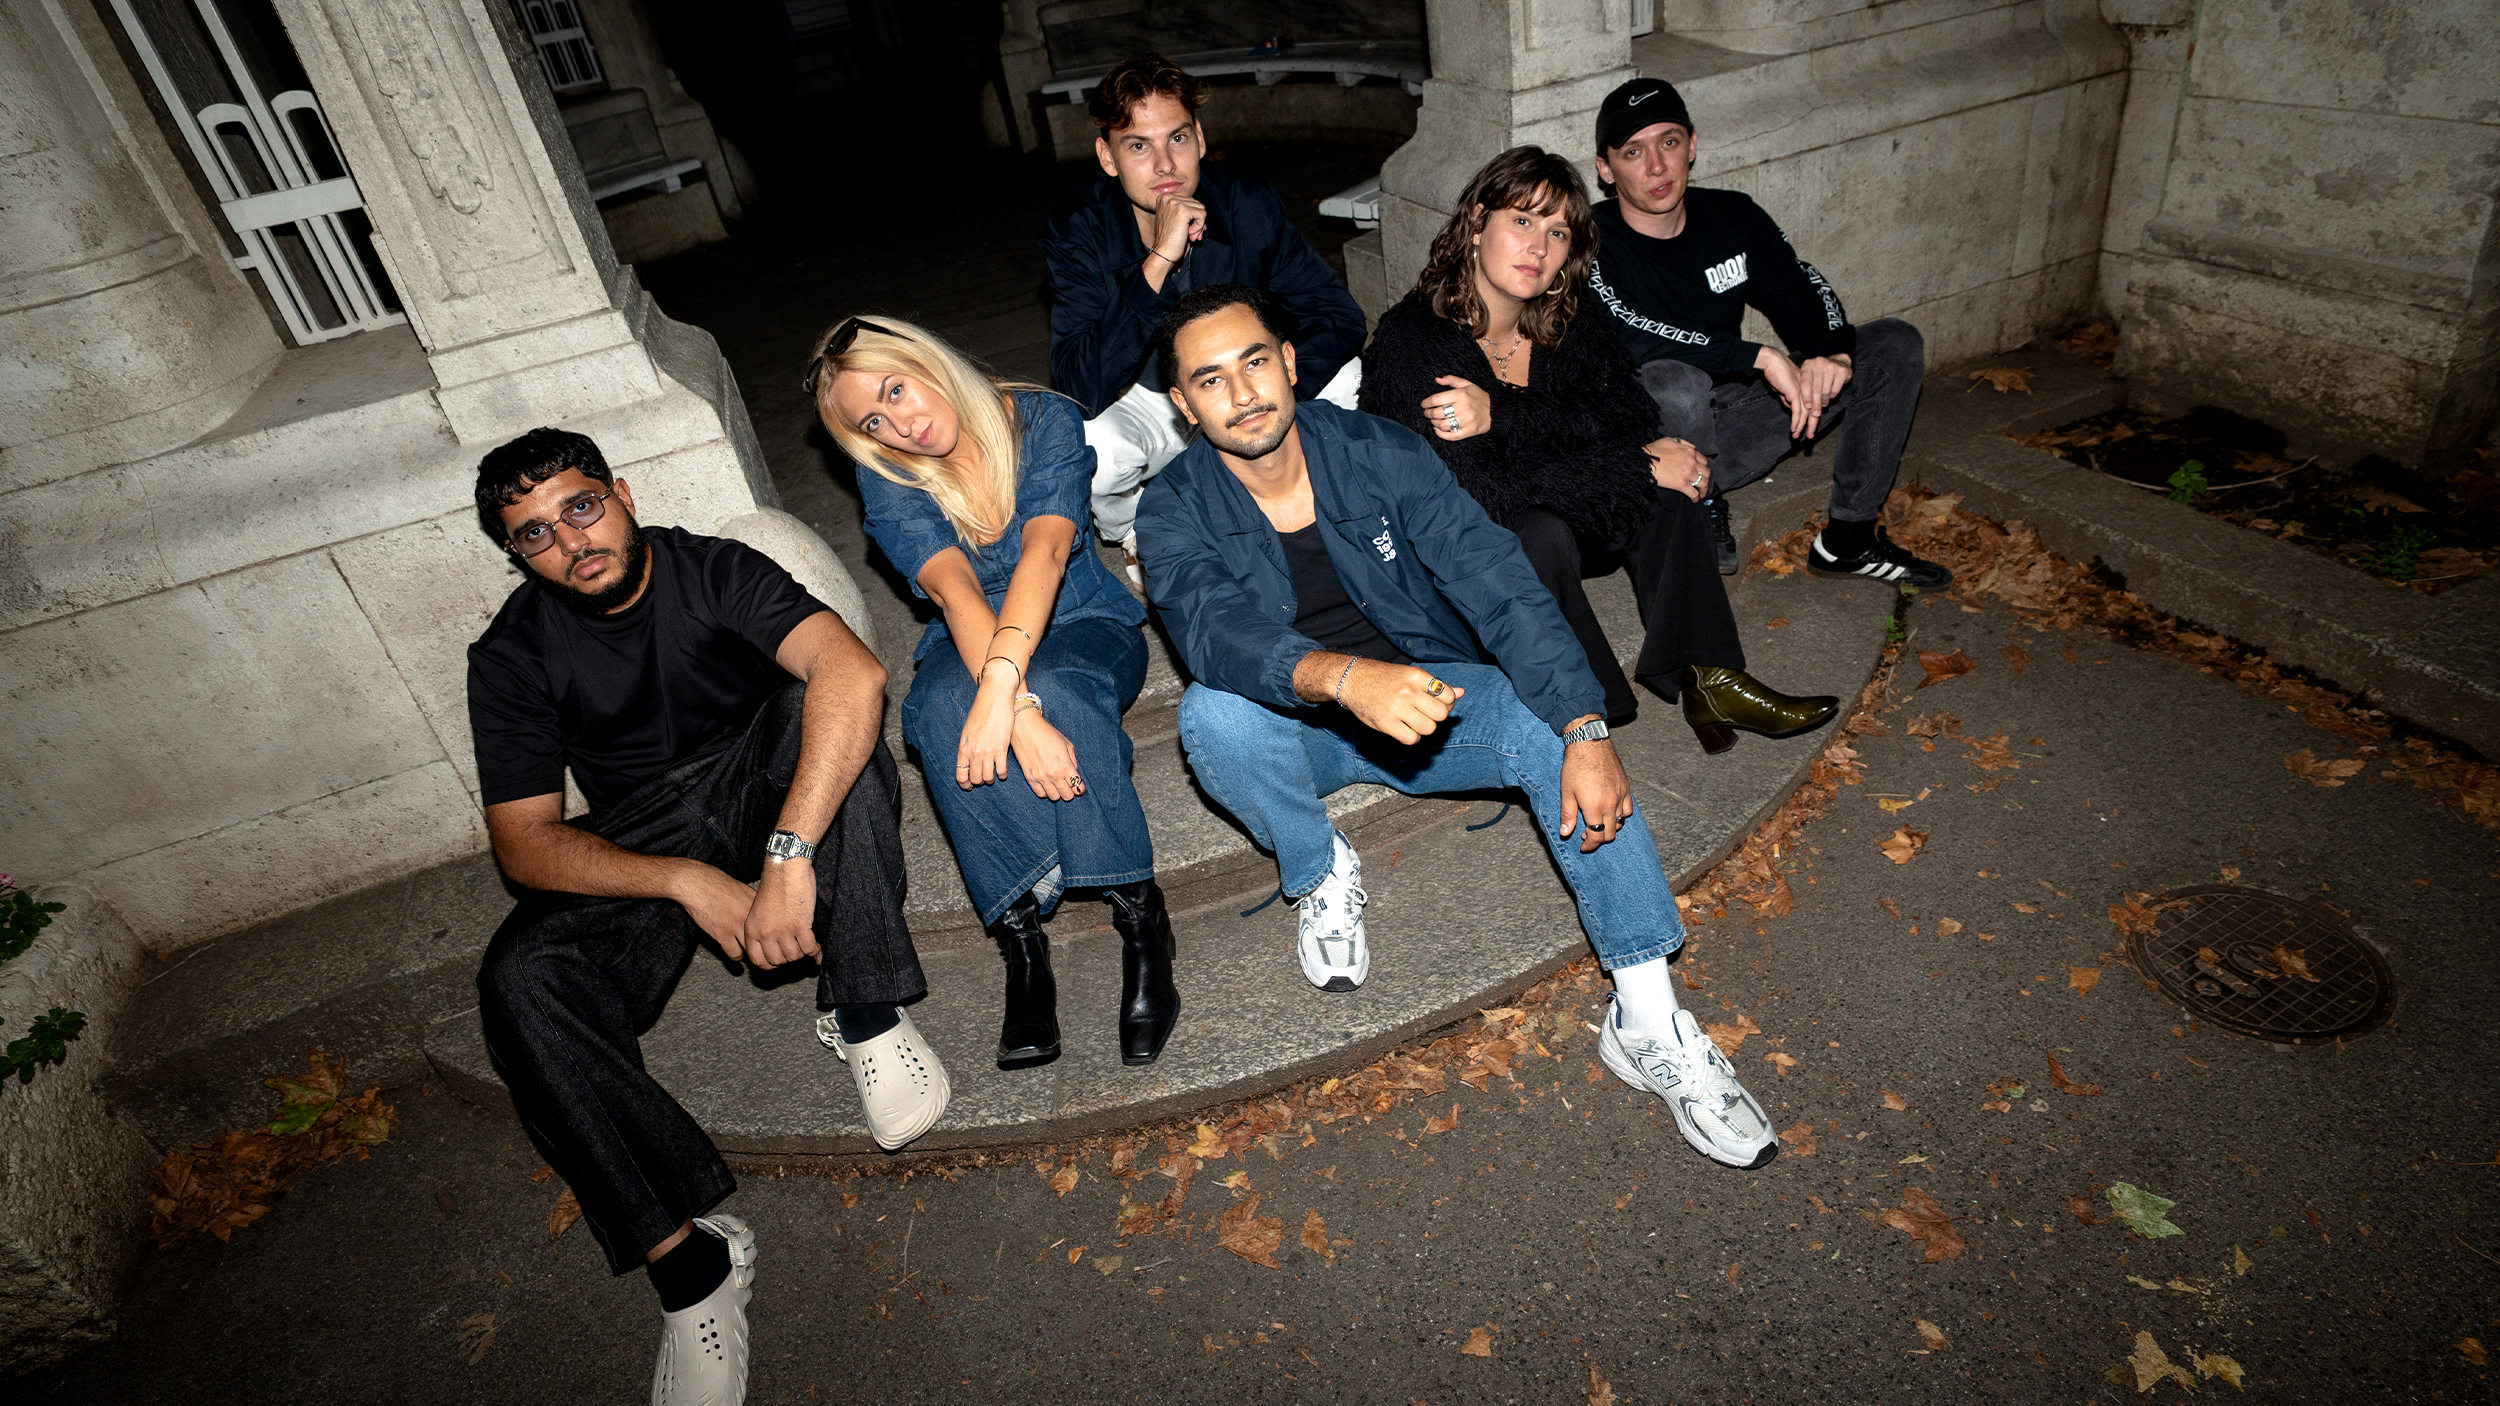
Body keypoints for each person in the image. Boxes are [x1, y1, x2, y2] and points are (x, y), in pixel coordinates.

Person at [1135, 284, 1778, 1170]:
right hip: (1302, 730)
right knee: (1213, 716)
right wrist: (1345, 678)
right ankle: (1318, 866)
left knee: (1555, 731)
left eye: (1254, 362)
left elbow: (1497, 580)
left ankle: (1647, 1021)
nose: (1242, 393)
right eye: (1211, 380)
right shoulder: (1171, 508)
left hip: (1430, 709)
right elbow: (1215, 634)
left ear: (1288, 362)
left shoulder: (1376, 449)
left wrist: (1585, 728)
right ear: (1183, 403)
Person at [466, 428, 945, 1404]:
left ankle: (864, 1007)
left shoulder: (713, 568)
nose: (571, 540)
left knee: (823, 721)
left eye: (580, 506)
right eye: (535, 533)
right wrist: (685, 879)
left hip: (758, 771)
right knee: (518, 980)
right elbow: (524, 842)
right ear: (517, 555)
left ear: (623, 493)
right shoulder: (510, 655)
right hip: (644, 827)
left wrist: (786, 853)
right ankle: (691, 1267)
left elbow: (853, 672)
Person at [1359, 146, 1838, 752]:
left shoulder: (1566, 316)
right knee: (1538, 531)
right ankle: (1578, 709)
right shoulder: (1414, 341)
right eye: (1522, 221)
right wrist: (1633, 467)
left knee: (1669, 487)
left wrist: (1506, 415)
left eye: (1558, 233)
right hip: (1451, 553)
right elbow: (1478, 494)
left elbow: (1628, 414)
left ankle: (1713, 678)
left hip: (1547, 500)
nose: (1539, 247)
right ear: (1477, 223)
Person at [808, 316, 1179, 1070]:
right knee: (935, 709)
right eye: (872, 421)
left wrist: (1016, 698)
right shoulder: (890, 474)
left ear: (926, 361)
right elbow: (954, 592)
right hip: (969, 631)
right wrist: (1013, 708)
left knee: (1059, 689)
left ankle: (1141, 919)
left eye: (896, 390)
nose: (899, 426)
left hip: (1080, 618)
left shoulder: (1044, 420)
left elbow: (1046, 553)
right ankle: (1023, 945)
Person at [1585, 76, 1950, 587]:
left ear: (1693, 145)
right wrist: (1758, 356)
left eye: (1669, 142)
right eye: (1632, 152)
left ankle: (1848, 541)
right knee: (1674, 381)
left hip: (1734, 423)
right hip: (1650, 445)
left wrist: (1832, 354)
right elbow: (1631, 334)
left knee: (1893, 343)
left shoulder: (1733, 216)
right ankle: (1696, 507)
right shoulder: (1587, 239)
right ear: (1605, 169)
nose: (1656, 166)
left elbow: (1799, 289)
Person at [1043, 52, 1367, 555]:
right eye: (1138, 146)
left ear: (1199, 137)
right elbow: (1076, 383)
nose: (1164, 165)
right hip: (1146, 395)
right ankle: (1139, 536)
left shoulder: (1244, 203)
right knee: (1088, 446)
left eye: (1177, 138)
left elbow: (1337, 316)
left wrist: (1270, 397)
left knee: (1347, 375)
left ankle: (1295, 488)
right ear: (1108, 157)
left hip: (1237, 387)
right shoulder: (1080, 229)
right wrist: (1158, 261)